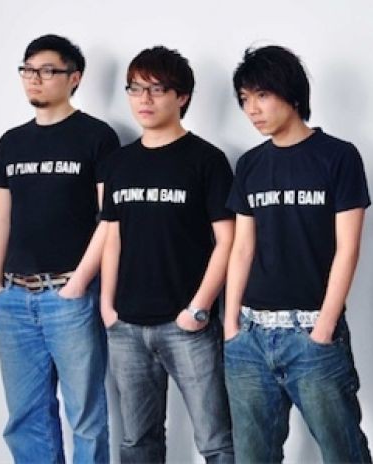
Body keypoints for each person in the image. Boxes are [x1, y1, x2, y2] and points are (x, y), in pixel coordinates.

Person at [224, 45, 372, 463]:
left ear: (291, 93)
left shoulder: (338, 156)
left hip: (311, 336)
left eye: (262, 95)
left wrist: (324, 327)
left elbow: (348, 248)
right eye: (244, 99)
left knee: (343, 454)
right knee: (252, 457)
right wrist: (230, 326)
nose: (252, 109)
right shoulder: (250, 164)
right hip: (249, 337)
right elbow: (242, 248)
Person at [100, 46, 234, 464]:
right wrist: (107, 307)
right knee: (136, 442)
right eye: (135, 88)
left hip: (187, 325)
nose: (144, 99)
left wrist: (199, 308)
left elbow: (227, 240)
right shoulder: (118, 163)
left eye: (157, 89)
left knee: (216, 442)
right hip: (126, 326)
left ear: (182, 97)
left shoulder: (206, 160)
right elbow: (112, 237)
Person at [0, 34, 119, 463]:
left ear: (73, 78)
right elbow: (2, 217)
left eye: (47, 71)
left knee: (85, 416)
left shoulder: (97, 137)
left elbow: (109, 219)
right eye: (28, 70)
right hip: (13, 297)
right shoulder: (11, 142)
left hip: (69, 295)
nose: (34, 79)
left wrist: (79, 283)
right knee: (25, 417)